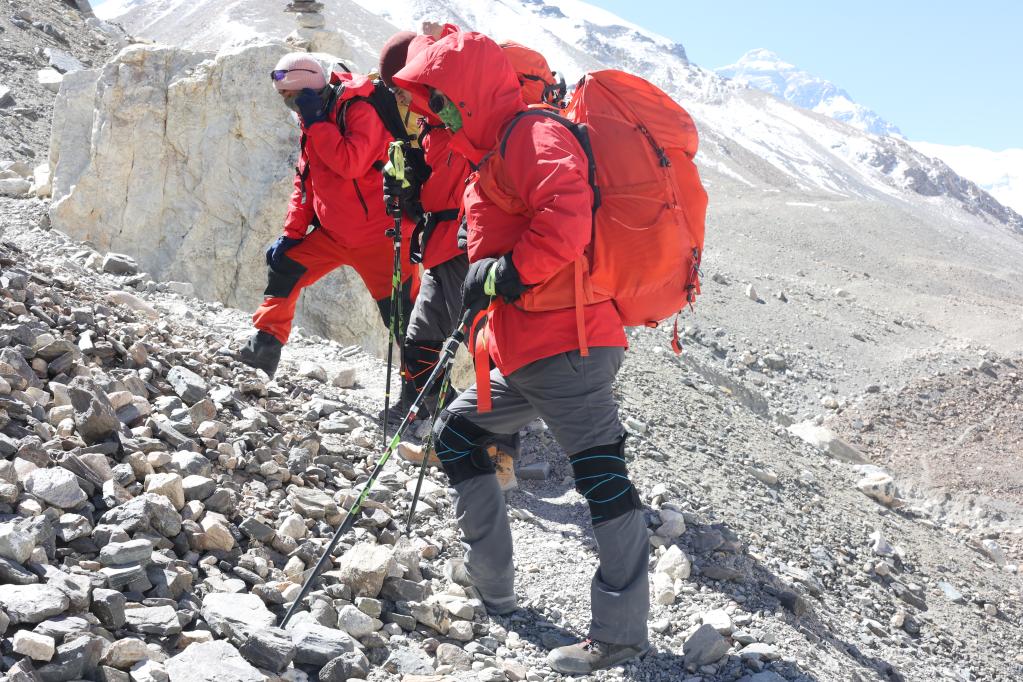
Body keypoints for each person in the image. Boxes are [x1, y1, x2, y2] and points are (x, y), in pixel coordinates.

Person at [393, 32, 649, 674]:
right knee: (457, 434)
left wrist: (507, 273)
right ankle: (493, 584)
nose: (437, 114)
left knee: (602, 479)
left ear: (472, 93)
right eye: (431, 103)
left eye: (442, 100)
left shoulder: (533, 134)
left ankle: (620, 634)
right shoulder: (492, 149)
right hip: (530, 349)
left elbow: (567, 216)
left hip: (568, 344)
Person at [238, 52, 419, 379]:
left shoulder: (357, 108)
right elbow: (305, 183)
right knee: (285, 268)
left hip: (381, 237)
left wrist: (318, 123)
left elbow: (350, 163)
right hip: (335, 234)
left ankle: (422, 388)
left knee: (404, 317)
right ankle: (261, 352)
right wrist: (291, 234)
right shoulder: (312, 119)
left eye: (287, 94)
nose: (285, 101)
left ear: (305, 88)